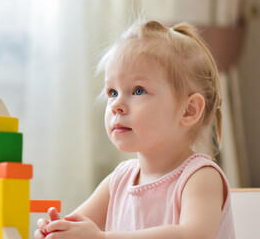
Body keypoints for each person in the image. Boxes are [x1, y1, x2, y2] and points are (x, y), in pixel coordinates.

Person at [34, 19, 235, 239]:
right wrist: (57, 230)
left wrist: (101, 238)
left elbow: (193, 235)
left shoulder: (200, 177)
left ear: (188, 111)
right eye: (112, 92)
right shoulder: (118, 180)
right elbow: (78, 227)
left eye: (138, 91)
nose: (116, 105)